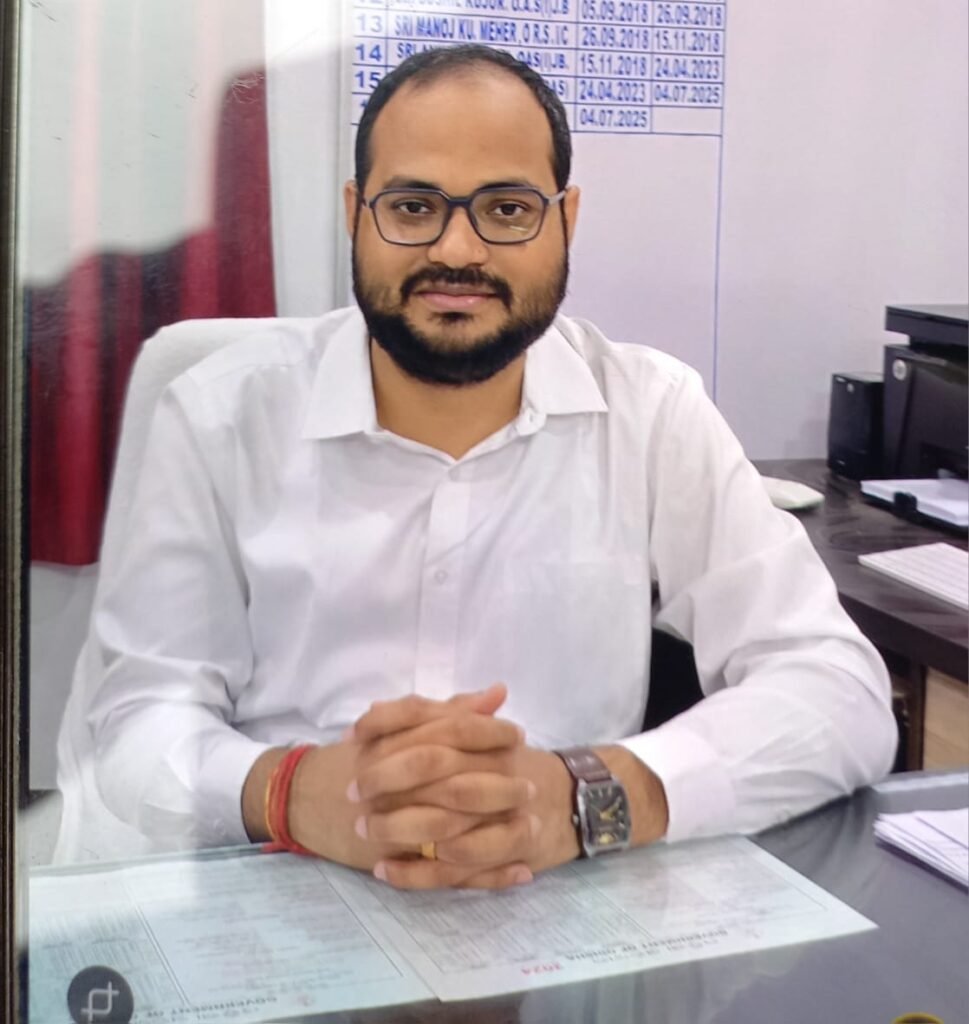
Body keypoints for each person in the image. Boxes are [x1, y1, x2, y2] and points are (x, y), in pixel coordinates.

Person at [83, 45, 896, 888]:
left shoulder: (652, 411)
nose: (458, 250)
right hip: (280, 891)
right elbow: (136, 723)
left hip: (561, 903)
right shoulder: (219, 415)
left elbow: (835, 688)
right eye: (413, 206)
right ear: (355, 213)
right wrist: (288, 793)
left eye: (507, 209)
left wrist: (589, 796)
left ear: (565, 220)